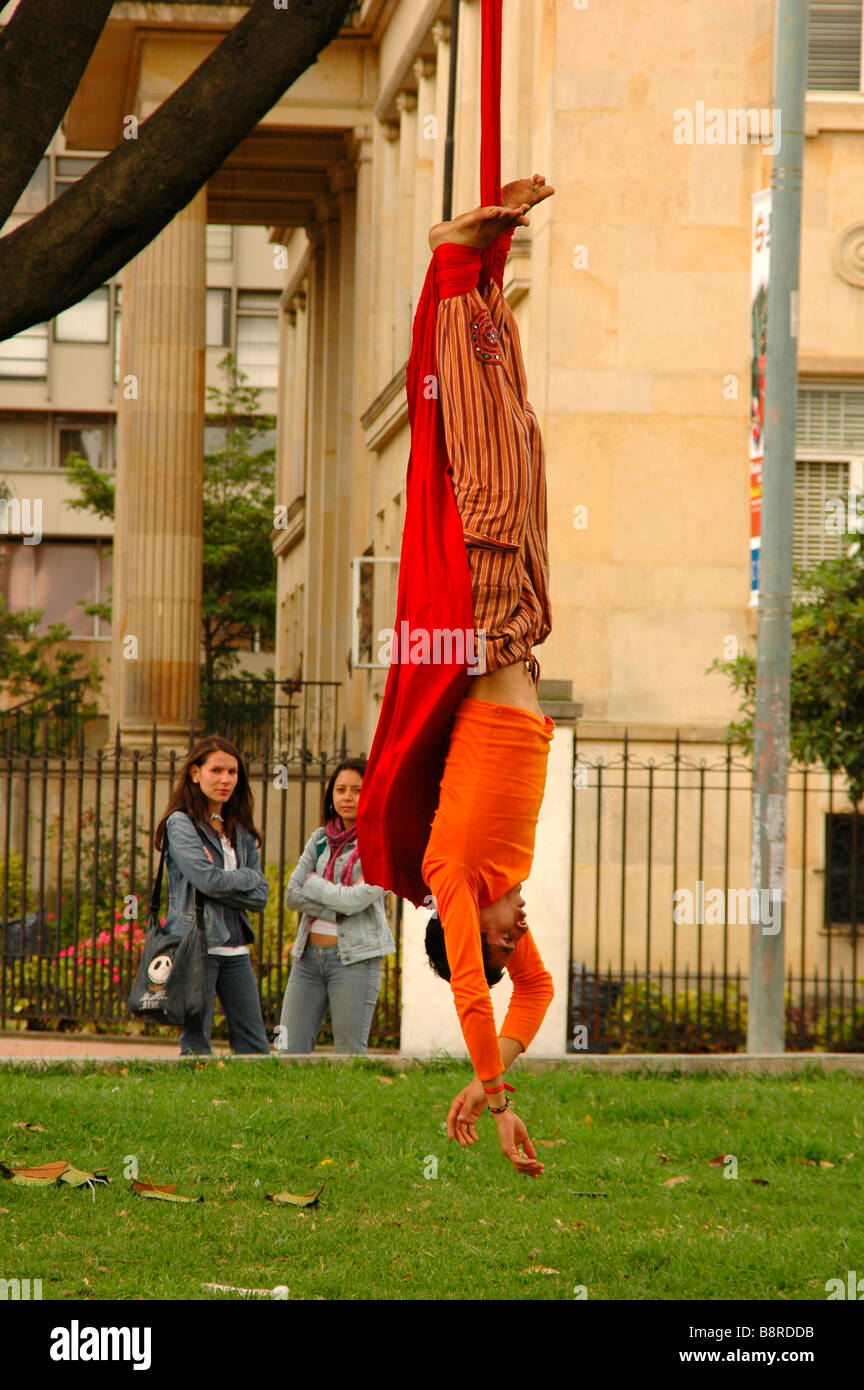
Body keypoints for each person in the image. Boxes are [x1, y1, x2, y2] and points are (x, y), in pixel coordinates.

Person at [420, 175, 558, 1176]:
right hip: (523, 635)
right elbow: (537, 998)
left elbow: (480, 988)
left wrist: (492, 1088)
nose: (519, 936)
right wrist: (496, 1069)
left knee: (487, 471)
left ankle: (456, 266)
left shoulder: (454, 880)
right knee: (523, 445)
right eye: (516, 940)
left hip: (487, 637)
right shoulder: (505, 881)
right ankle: (490, 298)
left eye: (504, 939)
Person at [155, 734, 271, 1056]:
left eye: (232, 772)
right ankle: (195, 1103)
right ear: (195, 773)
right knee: (196, 1044)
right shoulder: (181, 825)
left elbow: (260, 896)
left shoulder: (240, 829)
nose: (225, 779)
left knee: (255, 1047)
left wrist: (232, 880)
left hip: (236, 950)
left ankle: (255, 1099)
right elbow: (208, 882)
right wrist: (246, 877)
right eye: (216, 771)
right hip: (196, 946)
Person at [278, 758, 395, 1054]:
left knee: (349, 1054)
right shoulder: (319, 839)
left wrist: (314, 884)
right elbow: (292, 894)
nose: (347, 796)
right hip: (307, 958)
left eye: (357, 789)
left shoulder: (381, 842)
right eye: (340, 789)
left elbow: (357, 901)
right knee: (290, 1050)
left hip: (356, 960)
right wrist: (339, 905)